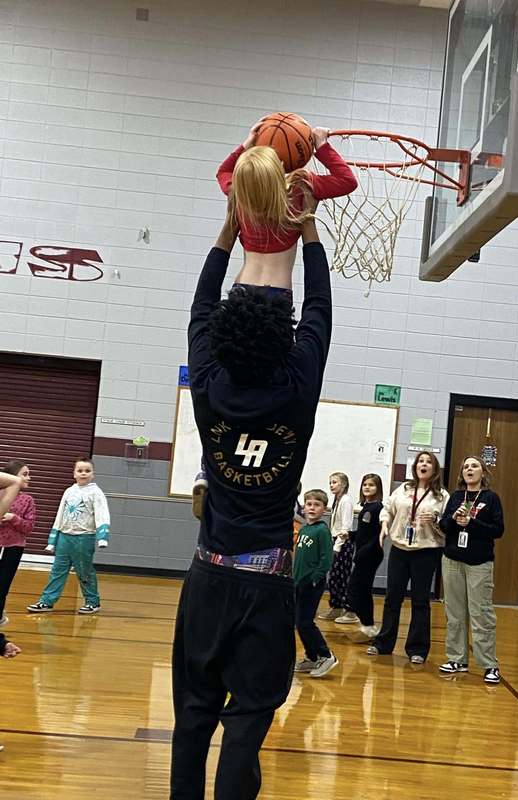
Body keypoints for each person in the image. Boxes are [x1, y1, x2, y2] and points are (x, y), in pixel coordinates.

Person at [170, 206, 332, 800]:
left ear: (221, 338)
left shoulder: (208, 385)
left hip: (207, 580)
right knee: (244, 731)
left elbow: (200, 308)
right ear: (285, 340)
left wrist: (227, 231)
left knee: (192, 723)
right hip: (268, 587)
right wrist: (310, 228)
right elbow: (320, 309)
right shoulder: (298, 387)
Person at [191, 122, 357, 519]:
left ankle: (204, 468)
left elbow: (223, 173)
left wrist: (245, 143)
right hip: (277, 301)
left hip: (241, 292)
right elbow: (347, 181)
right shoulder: (300, 191)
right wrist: (320, 146)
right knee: (274, 377)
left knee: (224, 379)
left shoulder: (241, 196)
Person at [367, 453, 449, 661]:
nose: (424, 464)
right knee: (392, 598)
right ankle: (383, 644)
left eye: (429, 462)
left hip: (426, 551)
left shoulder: (441, 496)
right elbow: (387, 509)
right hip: (399, 550)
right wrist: (384, 524)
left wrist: (435, 520)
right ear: (415, 466)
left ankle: (417, 650)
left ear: (434, 468)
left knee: (420, 601)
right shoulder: (403, 489)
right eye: (421, 461)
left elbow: (447, 526)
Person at [439, 456, 504, 684]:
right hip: (452, 560)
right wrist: (454, 520)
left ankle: (489, 664)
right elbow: (443, 525)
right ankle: (457, 658)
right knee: (454, 613)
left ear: (483, 473)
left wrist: (472, 524)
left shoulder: (491, 498)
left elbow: (498, 530)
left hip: (479, 563)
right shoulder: (456, 496)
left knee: (481, 614)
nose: (469, 469)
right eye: (465, 466)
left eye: (474, 466)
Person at [26, 458, 110, 615]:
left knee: (84, 571)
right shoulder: (69, 491)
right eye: (80, 470)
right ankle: (47, 601)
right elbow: (60, 515)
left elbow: (102, 514)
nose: (83, 473)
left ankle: (92, 602)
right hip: (65, 537)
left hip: (84, 538)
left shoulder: (96, 493)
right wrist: (53, 539)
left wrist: (102, 537)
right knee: (57, 570)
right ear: (74, 474)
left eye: (87, 470)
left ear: (93, 474)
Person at [293, 489, 337, 677]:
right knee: (299, 622)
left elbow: (326, 559)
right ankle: (312, 657)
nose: (312, 508)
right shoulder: (304, 529)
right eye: (309, 504)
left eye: (317, 505)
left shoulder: (322, 530)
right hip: (298, 582)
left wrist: (314, 578)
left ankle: (326, 655)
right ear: (303, 507)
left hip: (312, 583)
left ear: (324, 509)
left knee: (305, 622)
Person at [341, 473, 384, 639]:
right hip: (364, 554)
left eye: (371, 485)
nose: (367, 487)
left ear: (378, 488)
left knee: (354, 591)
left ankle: (367, 623)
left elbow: (376, 535)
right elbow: (364, 532)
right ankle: (369, 626)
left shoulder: (378, 508)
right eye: (365, 484)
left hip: (370, 555)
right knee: (363, 591)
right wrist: (350, 535)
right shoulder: (366, 506)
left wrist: (363, 553)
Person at [0, 460, 36, 626]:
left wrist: (14, 518)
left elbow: (28, 527)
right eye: (24, 474)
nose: (29, 478)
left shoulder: (27, 500)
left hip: (14, 547)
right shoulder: (2, 495)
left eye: (29, 474)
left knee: (3, 585)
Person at [319, 472, 356, 622]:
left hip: (342, 542)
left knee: (341, 576)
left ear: (344, 484)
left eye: (335, 482)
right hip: (335, 540)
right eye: (330, 483)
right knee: (334, 576)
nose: (331, 485)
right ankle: (337, 606)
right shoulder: (337, 500)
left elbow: (345, 527)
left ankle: (349, 609)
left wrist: (337, 546)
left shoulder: (346, 501)